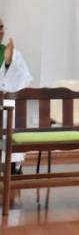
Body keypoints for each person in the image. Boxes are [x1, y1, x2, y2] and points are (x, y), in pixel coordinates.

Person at [0, 17, 32, 174]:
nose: (0, 31)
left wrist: (8, 63)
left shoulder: (14, 54)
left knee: (11, 114)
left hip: (8, 107)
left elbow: (25, 79)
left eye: (1, 27)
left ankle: (12, 164)